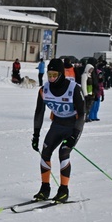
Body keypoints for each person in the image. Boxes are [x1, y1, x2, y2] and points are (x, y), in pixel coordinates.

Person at [31, 58, 86, 203]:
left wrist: (75, 135)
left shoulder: (74, 88)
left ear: (61, 74)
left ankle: (63, 190)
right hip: (57, 125)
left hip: (72, 126)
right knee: (45, 153)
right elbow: (39, 113)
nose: (52, 78)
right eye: (49, 75)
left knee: (63, 152)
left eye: (55, 75)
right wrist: (35, 135)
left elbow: (82, 114)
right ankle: (45, 188)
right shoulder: (44, 90)